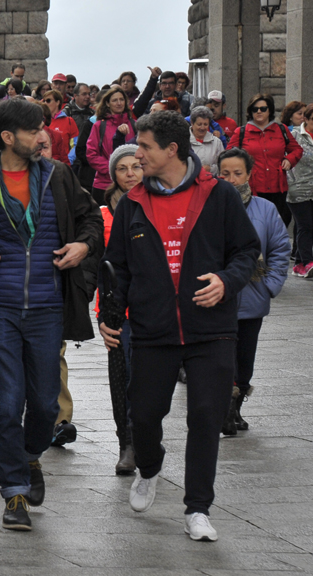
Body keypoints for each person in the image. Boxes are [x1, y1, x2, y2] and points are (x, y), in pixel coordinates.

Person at [101, 111, 261, 542]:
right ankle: (150, 468)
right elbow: (115, 270)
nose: (137, 154)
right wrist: (109, 319)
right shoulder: (133, 202)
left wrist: (226, 282)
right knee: (146, 416)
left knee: (207, 416)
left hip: (211, 329)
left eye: (145, 147)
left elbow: (247, 251)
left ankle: (197, 508)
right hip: (153, 331)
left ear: (172, 150)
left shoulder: (219, 195)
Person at [0, 97, 103, 531]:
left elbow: (91, 218)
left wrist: (84, 246)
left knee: (42, 403)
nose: (44, 136)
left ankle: (31, 455)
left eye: (43, 128)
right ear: (6, 138)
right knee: (7, 404)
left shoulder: (58, 175)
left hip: (48, 307)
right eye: (35, 130)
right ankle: (13, 492)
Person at [215, 148, 289, 436]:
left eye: (237, 173)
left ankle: (236, 407)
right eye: (225, 173)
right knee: (222, 359)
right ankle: (225, 409)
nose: (231, 179)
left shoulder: (265, 209)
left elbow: (281, 249)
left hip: (253, 297)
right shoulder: (210, 206)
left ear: (248, 174)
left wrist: (270, 286)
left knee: (245, 360)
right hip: (217, 299)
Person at [98, 144, 142, 475]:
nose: (130, 174)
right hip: (116, 309)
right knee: (120, 377)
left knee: (149, 380)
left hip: (154, 307)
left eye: (136, 166)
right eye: (122, 168)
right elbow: (100, 267)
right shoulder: (102, 213)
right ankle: (126, 442)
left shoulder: (157, 203)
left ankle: (145, 436)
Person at [227, 94, 303, 227]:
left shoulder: (281, 129)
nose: (259, 112)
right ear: (250, 112)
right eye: (255, 109)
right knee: (256, 226)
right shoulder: (241, 132)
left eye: (263, 108)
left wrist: (289, 160)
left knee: (280, 224)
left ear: (270, 110)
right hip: (253, 189)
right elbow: (228, 156)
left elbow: (297, 150)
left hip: (278, 189)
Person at [87, 86, 136, 205]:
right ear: (107, 104)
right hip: (104, 184)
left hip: (131, 183)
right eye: (115, 100)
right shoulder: (99, 126)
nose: (119, 103)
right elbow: (91, 154)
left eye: (121, 99)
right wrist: (112, 169)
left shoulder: (134, 124)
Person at [289, 105, 313, 277]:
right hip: (298, 188)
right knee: (306, 225)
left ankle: (298, 263)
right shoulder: (294, 135)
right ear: (306, 119)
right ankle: (308, 263)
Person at [189, 106, 224, 173]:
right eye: (199, 124)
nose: (202, 128)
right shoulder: (184, 141)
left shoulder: (216, 142)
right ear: (192, 123)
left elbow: (223, 165)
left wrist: (210, 169)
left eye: (205, 124)